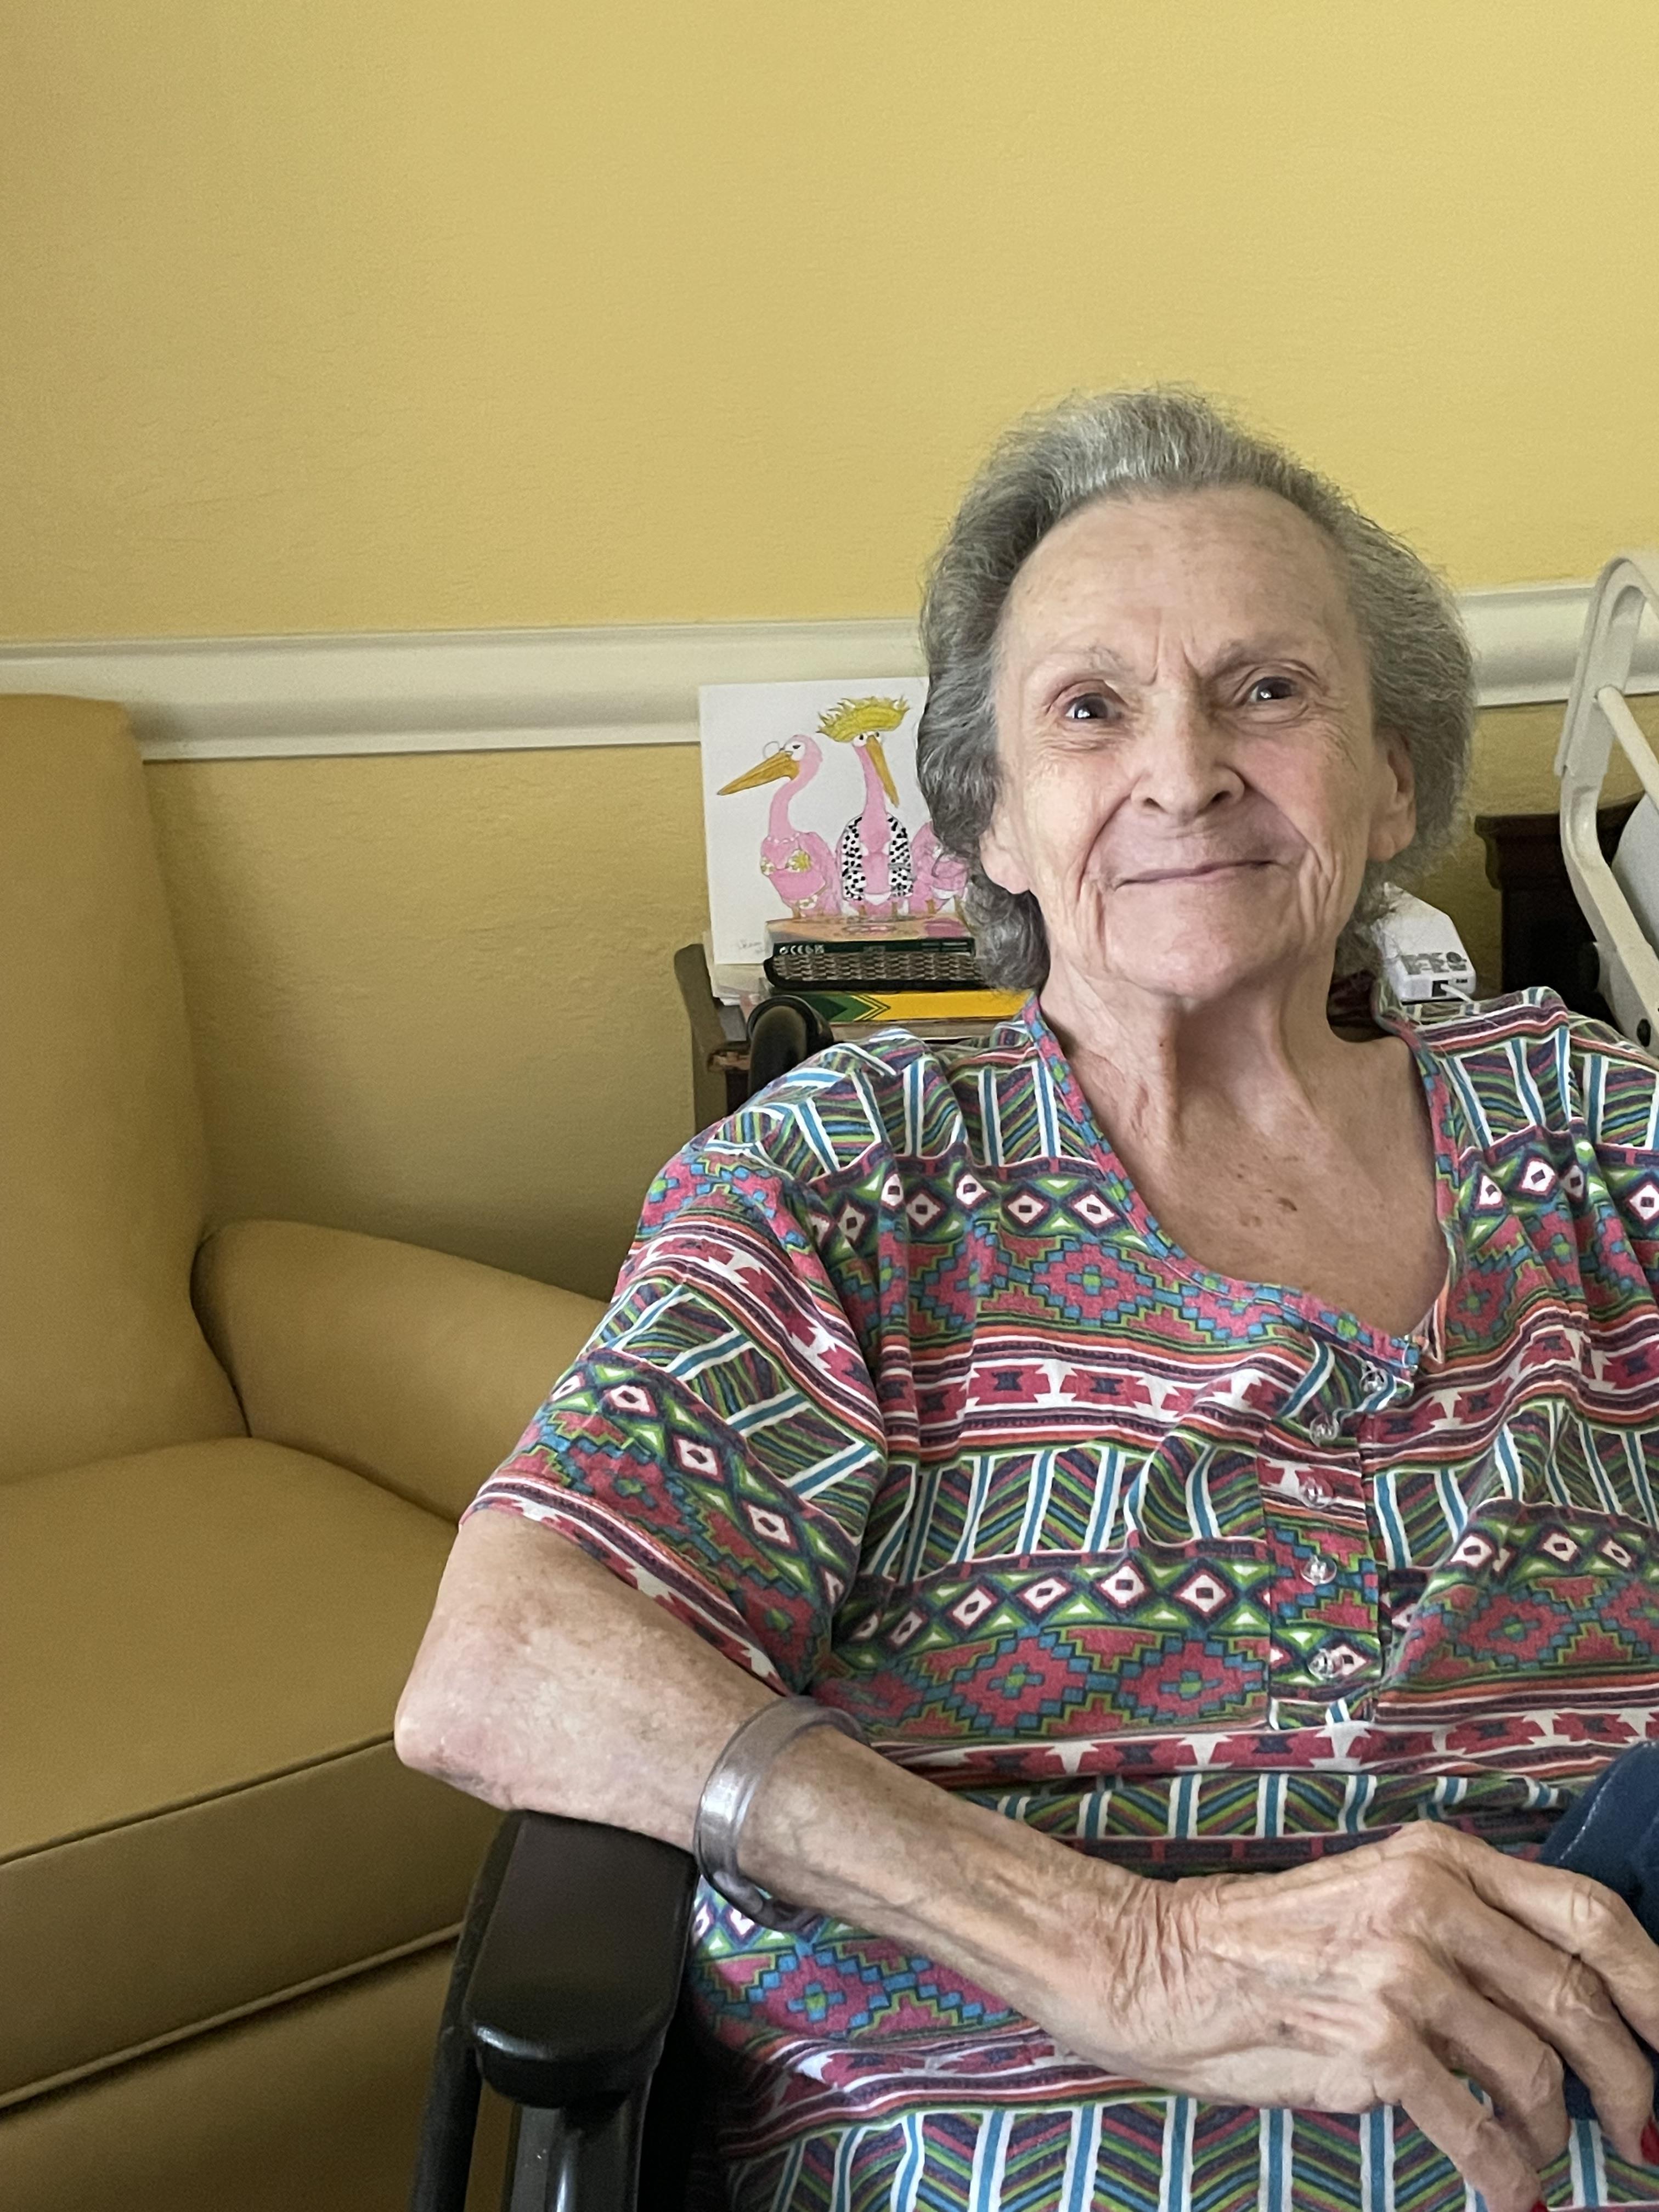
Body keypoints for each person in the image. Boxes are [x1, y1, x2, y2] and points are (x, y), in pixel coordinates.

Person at [397, 390, 1659, 2212]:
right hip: (1042, 2126)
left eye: (1271, 691)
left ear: (1395, 777)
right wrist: (1129, 1954)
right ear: (990, 824)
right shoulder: (853, 1179)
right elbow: (506, 1656)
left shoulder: (1601, 1141)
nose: (1187, 769)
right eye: (1092, 709)